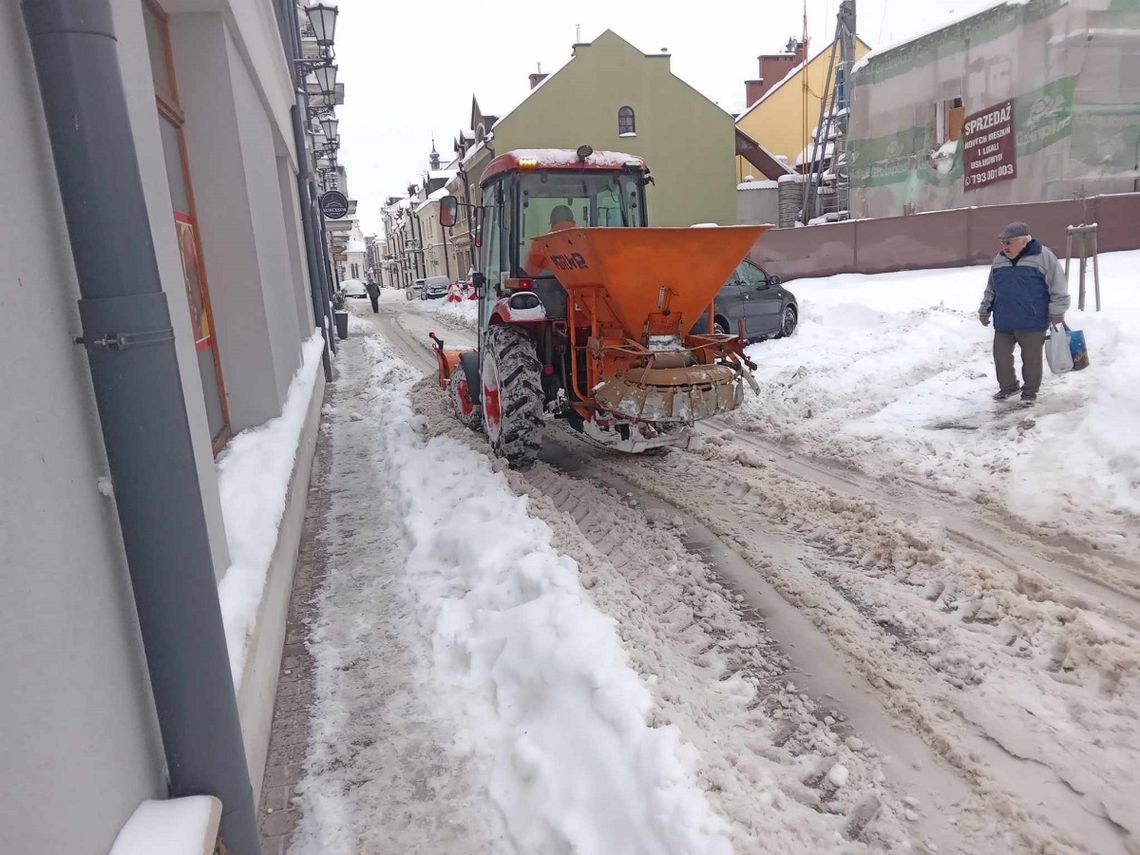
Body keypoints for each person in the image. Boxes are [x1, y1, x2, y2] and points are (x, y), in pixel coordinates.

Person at [978, 222, 1069, 404]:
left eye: (1009, 243)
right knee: (1001, 356)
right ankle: (1009, 387)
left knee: (1031, 359)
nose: (1005, 247)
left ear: (1024, 241)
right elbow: (992, 287)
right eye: (1003, 243)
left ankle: (1029, 392)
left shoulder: (1043, 256)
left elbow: (1058, 286)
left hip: (1032, 320)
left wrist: (1058, 312)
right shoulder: (1000, 259)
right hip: (1004, 318)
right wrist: (985, 309)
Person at [524, 205, 578, 275]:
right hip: (582, 283)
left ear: (552, 224)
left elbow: (531, 273)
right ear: (573, 222)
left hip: (548, 284)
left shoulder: (540, 244)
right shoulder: (586, 240)